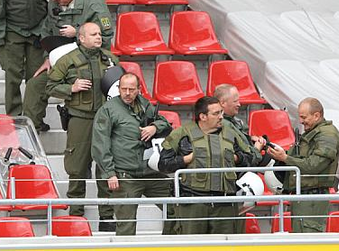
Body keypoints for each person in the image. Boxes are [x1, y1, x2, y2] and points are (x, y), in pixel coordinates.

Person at [46, 22, 119, 230]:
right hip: (80, 119)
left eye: (99, 34)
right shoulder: (67, 60)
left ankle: (107, 217)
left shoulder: (110, 59)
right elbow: (50, 87)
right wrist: (72, 88)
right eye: (93, 34)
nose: (98, 37)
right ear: (81, 38)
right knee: (77, 168)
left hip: (105, 120)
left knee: (106, 168)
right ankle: (76, 215)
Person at [23, 0, 114, 132]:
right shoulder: (54, 2)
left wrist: (78, 33)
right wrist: (48, 57)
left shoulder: (93, 3)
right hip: (61, 58)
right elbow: (47, 30)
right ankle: (32, 129)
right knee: (34, 85)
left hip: (88, 61)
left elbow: (105, 37)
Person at [158, 95, 254, 234]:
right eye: (216, 113)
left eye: (221, 112)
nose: (221, 117)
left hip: (225, 203)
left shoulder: (231, 133)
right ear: (203, 116)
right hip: (193, 204)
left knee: (225, 243)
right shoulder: (182, 134)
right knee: (191, 243)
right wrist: (185, 159)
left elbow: (250, 158)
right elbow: (163, 165)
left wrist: (237, 158)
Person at [92, 72, 174, 236]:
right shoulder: (108, 110)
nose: (127, 93)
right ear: (119, 89)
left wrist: (154, 127)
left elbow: (165, 123)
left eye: (131, 89)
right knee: (126, 226)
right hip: (125, 175)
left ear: (139, 89)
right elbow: (100, 145)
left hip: (150, 172)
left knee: (176, 209)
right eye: (124, 89)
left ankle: (167, 244)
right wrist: (110, 173)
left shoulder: (145, 104)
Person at [266, 97, 339, 233]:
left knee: (307, 237)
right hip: (305, 197)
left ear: (316, 115)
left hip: (312, 199)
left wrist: (286, 158)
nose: (301, 121)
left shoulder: (327, 135)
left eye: (304, 117)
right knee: (301, 236)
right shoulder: (315, 132)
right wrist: (281, 156)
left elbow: (314, 165)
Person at [214, 83, 265, 233]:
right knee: (228, 232)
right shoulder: (224, 126)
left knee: (236, 230)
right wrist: (256, 149)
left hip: (238, 187)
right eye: (235, 101)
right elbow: (245, 157)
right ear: (223, 103)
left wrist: (249, 139)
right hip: (229, 188)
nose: (239, 104)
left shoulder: (234, 123)